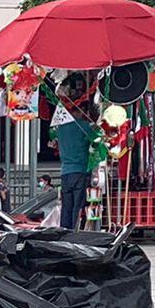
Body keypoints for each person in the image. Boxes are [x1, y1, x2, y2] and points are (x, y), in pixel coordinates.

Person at [53, 76, 97, 231]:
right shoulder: (85, 126)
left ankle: (64, 231)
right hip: (80, 171)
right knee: (78, 206)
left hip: (65, 172)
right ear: (82, 110)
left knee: (67, 206)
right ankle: (74, 231)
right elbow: (97, 141)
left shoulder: (61, 128)